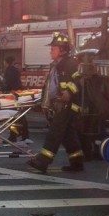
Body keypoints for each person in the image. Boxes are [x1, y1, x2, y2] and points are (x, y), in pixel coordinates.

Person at [28, 31, 84, 173]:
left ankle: (42, 161)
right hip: (60, 104)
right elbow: (50, 86)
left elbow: (79, 79)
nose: (50, 51)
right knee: (67, 135)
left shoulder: (71, 63)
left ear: (62, 50)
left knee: (55, 132)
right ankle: (77, 162)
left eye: (53, 49)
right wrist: (44, 102)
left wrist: (69, 92)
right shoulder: (57, 65)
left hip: (67, 105)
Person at [1, 55, 29, 143]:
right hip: (17, 95)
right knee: (19, 116)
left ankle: (14, 136)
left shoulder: (9, 71)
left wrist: (1, 89)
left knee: (13, 116)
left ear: (6, 62)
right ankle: (22, 135)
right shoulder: (14, 70)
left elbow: (8, 83)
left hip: (12, 96)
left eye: (4, 62)